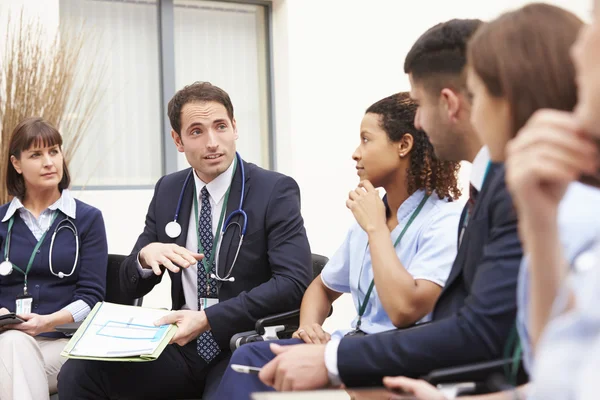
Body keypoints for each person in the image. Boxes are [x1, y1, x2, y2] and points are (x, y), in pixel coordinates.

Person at [254, 18, 526, 392]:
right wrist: (313, 334)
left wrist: (336, 359)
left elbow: (458, 325)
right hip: (397, 361)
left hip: (412, 370)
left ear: (448, 102)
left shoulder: (494, 198)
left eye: (419, 105)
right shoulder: (486, 193)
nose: (417, 121)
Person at [376, 3, 589, 399]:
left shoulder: (573, 208)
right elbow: (553, 372)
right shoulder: (537, 195)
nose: (473, 110)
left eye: (481, 92)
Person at [57, 81, 313, 399]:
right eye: (196, 132)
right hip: (182, 344)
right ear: (178, 140)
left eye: (220, 127)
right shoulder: (169, 190)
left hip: (241, 341)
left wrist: (208, 319)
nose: (212, 142)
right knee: (81, 373)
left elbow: (293, 283)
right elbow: (127, 285)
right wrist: (144, 258)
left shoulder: (273, 190)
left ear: (235, 127)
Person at [215, 92, 464, 398]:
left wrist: (375, 229)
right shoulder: (374, 213)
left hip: (396, 358)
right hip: (347, 345)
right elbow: (322, 287)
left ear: (404, 145)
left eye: (366, 140)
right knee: (249, 359)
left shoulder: (444, 220)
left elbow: (404, 310)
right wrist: (309, 328)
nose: (356, 153)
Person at [0, 117, 108, 400]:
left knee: (14, 352)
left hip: (63, 346)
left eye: (54, 151)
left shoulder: (87, 219)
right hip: (6, 341)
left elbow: (91, 298)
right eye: (36, 154)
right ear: (17, 164)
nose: (49, 162)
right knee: (13, 343)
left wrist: (46, 322)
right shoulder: (1, 223)